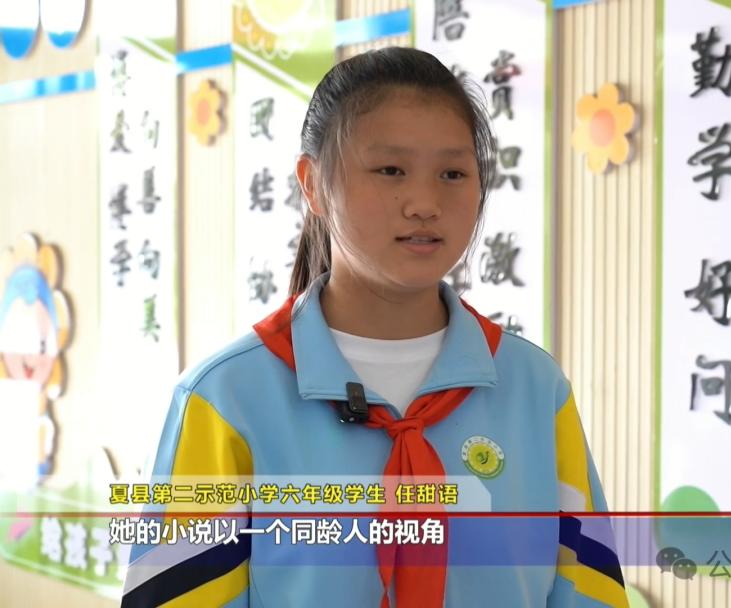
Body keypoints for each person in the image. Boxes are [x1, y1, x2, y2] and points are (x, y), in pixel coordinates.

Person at [120, 47, 628, 608]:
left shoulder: (536, 388)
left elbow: (590, 593)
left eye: (453, 173)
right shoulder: (225, 400)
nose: (425, 203)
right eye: (390, 171)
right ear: (313, 184)